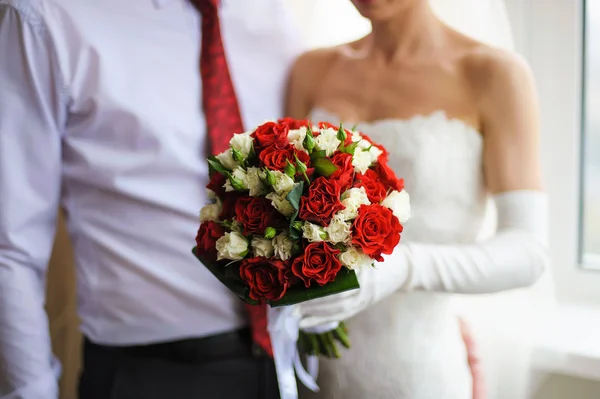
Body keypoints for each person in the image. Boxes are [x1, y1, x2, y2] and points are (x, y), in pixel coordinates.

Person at [0, 0, 305, 398]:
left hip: (287, 363)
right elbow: (11, 246)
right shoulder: (46, 17)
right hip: (149, 375)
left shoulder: (275, 15)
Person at [289, 0, 550, 398]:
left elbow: (528, 252)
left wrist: (405, 267)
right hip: (309, 370)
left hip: (418, 372)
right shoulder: (311, 70)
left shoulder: (492, 73)